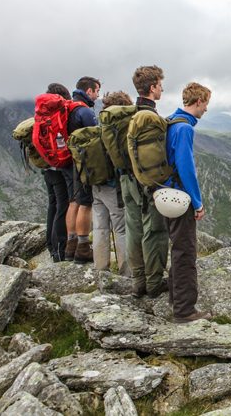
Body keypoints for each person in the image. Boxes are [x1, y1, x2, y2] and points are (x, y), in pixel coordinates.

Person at [165, 82, 212, 323]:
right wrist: (197, 202)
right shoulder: (184, 129)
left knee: (178, 248)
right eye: (206, 104)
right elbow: (186, 169)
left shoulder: (172, 120)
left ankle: (176, 299)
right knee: (186, 252)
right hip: (179, 198)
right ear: (198, 101)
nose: (206, 109)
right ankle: (185, 311)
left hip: (165, 196)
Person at [121, 66, 170, 297]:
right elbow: (155, 158)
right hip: (146, 183)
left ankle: (138, 281)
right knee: (155, 231)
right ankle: (153, 283)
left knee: (133, 229)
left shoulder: (129, 113)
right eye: (160, 85)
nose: (162, 88)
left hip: (126, 180)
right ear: (152, 88)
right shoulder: (149, 116)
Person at [62, 76, 101, 263]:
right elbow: (96, 138)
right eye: (97, 91)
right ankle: (83, 248)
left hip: (68, 161)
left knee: (73, 202)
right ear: (89, 91)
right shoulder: (84, 111)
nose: (97, 95)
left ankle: (71, 245)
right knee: (86, 204)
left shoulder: (68, 107)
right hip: (82, 163)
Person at [93, 91, 131, 276]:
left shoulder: (101, 126)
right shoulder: (116, 128)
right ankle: (126, 271)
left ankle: (101, 268)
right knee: (121, 228)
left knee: (100, 227)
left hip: (95, 185)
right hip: (111, 186)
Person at [43, 82, 71, 262]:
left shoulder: (43, 112)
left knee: (53, 205)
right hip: (59, 167)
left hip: (46, 167)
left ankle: (51, 245)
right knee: (63, 206)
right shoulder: (57, 112)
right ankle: (59, 248)